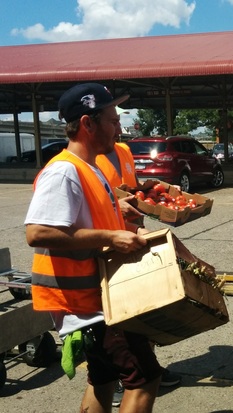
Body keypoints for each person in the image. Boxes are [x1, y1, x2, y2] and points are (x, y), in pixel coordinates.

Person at [26, 83, 163, 413]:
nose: (119, 129)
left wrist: (130, 227)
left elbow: (94, 220)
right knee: (144, 379)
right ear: (88, 123)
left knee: (103, 380)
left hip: (98, 297)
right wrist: (111, 238)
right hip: (87, 304)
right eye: (112, 121)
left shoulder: (92, 168)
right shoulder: (64, 171)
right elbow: (38, 232)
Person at [95, 108, 181, 408]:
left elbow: (129, 189)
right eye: (113, 121)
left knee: (142, 311)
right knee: (123, 325)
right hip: (109, 251)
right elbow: (92, 204)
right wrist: (113, 210)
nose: (120, 127)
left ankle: (142, 364)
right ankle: (128, 377)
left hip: (132, 240)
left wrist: (157, 191)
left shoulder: (122, 151)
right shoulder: (82, 162)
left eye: (119, 120)